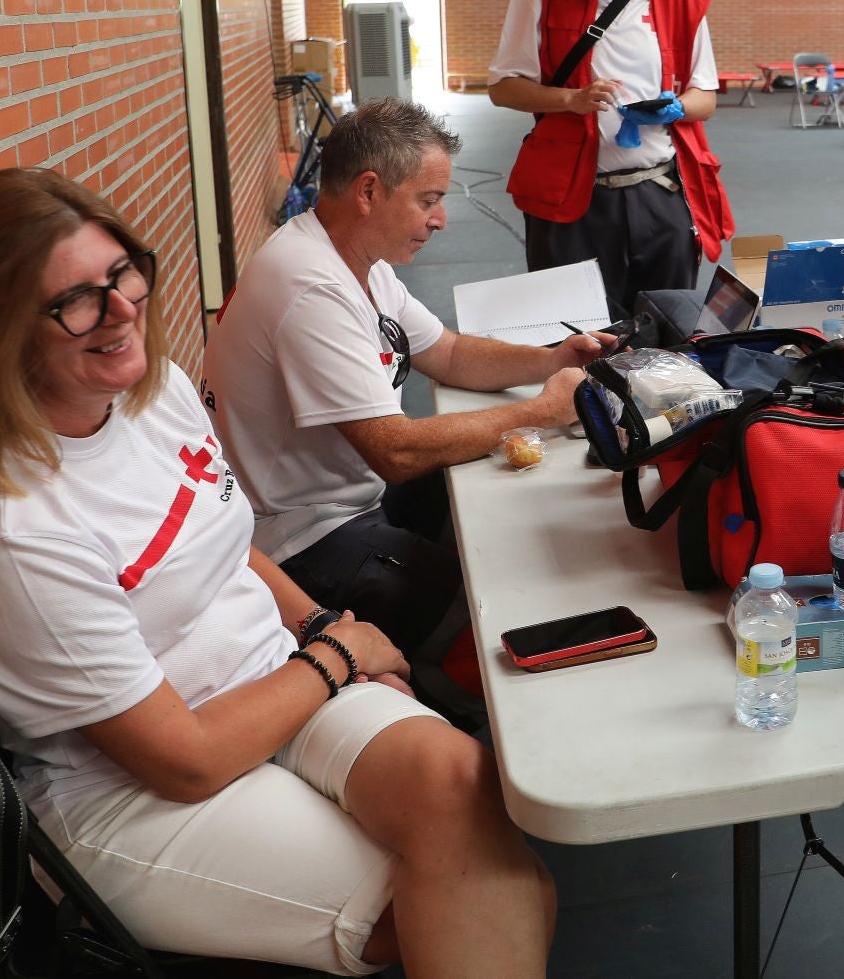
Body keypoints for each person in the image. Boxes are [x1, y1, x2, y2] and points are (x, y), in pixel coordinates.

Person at [0, 168, 555, 975]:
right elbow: (187, 760)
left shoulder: (153, 393)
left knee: (470, 800)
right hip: (136, 794)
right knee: (445, 894)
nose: (122, 309)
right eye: (76, 301)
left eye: (123, 273)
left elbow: (226, 545)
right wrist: (340, 659)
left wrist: (320, 628)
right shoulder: (12, 528)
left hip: (273, 683)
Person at [200, 99, 611, 676]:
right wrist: (544, 411)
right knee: (496, 619)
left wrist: (551, 360)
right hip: (302, 540)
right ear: (369, 191)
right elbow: (394, 451)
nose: (441, 219)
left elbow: (448, 352)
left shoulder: (353, 258)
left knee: (490, 513)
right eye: (428, 200)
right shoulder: (312, 286)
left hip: (348, 498)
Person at [488, 0, 732, 319]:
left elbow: (706, 97)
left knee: (668, 328)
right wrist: (570, 100)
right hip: (573, 202)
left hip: (659, 193)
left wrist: (675, 108)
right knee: (575, 330)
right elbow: (503, 89)